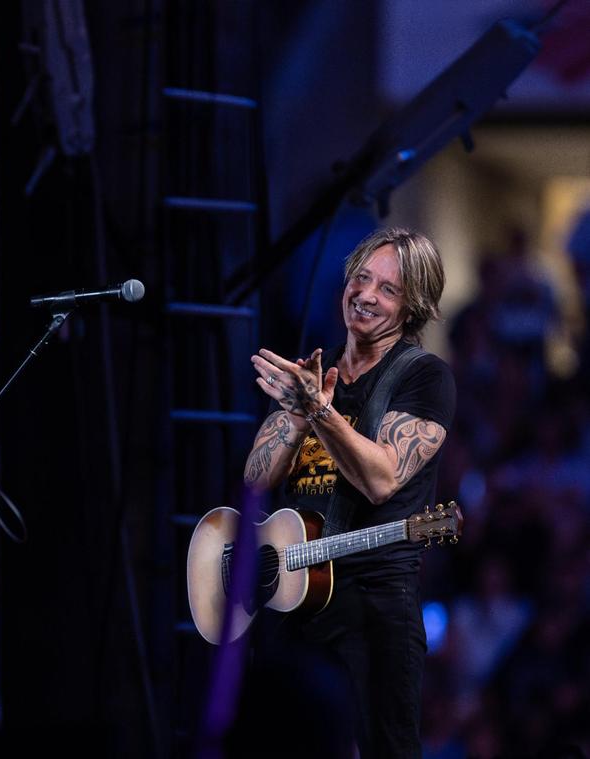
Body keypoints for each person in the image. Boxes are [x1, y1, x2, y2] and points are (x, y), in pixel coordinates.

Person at [242, 227, 456, 758]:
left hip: (375, 603)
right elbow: (255, 480)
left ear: (413, 306)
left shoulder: (423, 377)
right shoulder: (314, 375)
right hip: (295, 594)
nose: (366, 294)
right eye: (361, 278)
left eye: (388, 288)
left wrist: (318, 410)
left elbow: (381, 480)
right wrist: (297, 414)